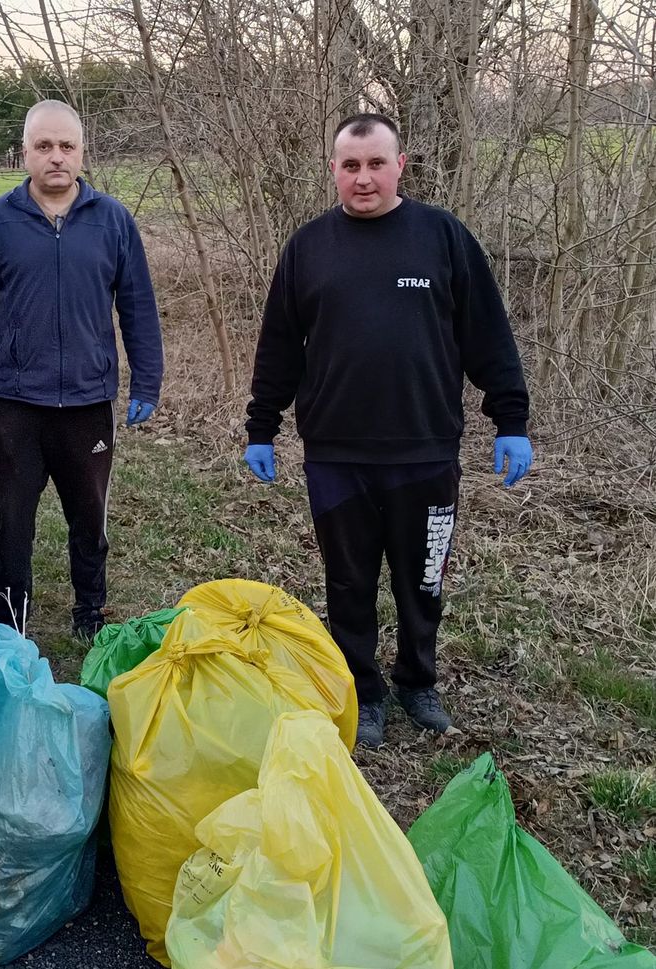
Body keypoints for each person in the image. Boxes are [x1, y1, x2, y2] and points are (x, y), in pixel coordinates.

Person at [243, 113, 534, 748]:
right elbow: (279, 348)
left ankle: (416, 682)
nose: (364, 177)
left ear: (401, 165)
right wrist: (261, 427)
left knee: (421, 578)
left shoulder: (443, 238)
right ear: (334, 172)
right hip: (336, 455)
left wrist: (510, 418)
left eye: (377, 163)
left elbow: (488, 334)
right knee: (348, 583)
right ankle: (363, 691)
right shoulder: (308, 248)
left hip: (425, 449)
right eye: (351, 165)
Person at [0, 99, 164, 640]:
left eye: (67, 146)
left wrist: (148, 380)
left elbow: (137, 304)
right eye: (44, 146)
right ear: (25, 152)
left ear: (82, 153)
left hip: (89, 404)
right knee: (11, 526)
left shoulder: (113, 219)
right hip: (14, 404)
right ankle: (7, 627)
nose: (56, 157)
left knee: (89, 523)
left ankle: (90, 617)